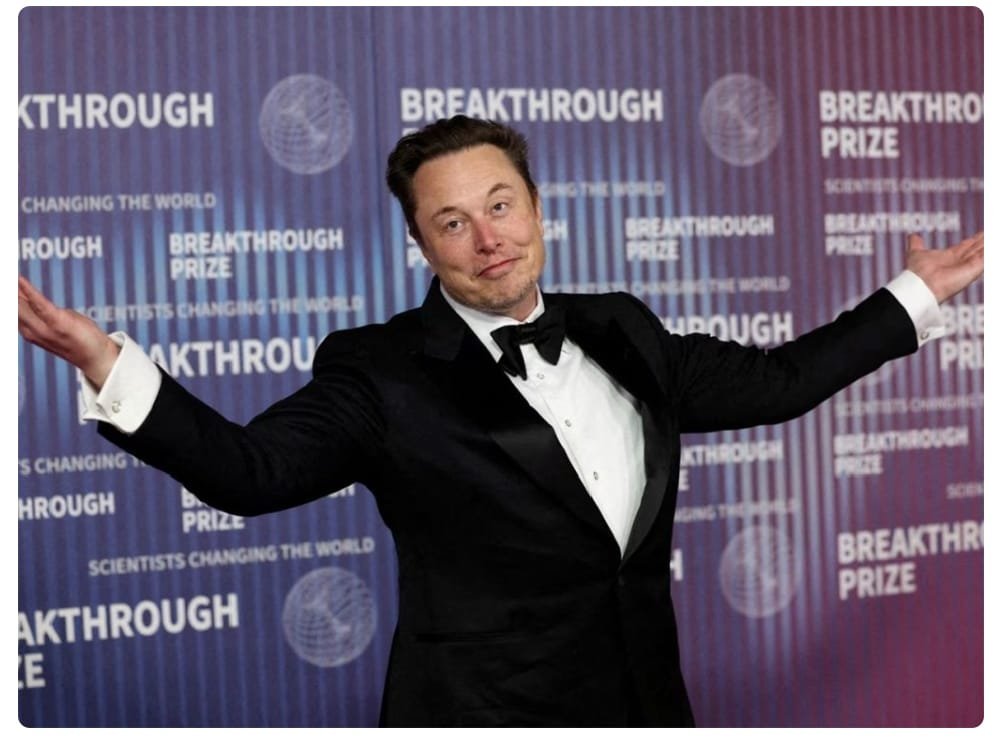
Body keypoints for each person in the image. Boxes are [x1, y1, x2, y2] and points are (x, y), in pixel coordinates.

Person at [18, 116, 984, 726]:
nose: (488, 239)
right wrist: (109, 364)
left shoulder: (622, 328)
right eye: (452, 222)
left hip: (647, 707)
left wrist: (911, 294)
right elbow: (248, 471)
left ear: (536, 208)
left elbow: (778, 381)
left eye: (500, 205)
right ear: (419, 243)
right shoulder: (381, 371)